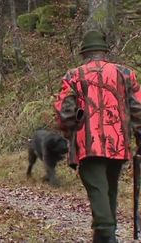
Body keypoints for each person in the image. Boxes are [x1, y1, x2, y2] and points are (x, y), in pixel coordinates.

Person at [54, 29, 141, 242]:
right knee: (108, 190)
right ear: (105, 52)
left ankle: (108, 236)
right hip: (118, 144)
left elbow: (65, 111)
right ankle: (102, 237)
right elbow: (138, 108)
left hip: (88, 144)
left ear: (84, 53)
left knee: (98, 191)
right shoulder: (126, 74)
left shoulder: (74, 76)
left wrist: (69, 133)